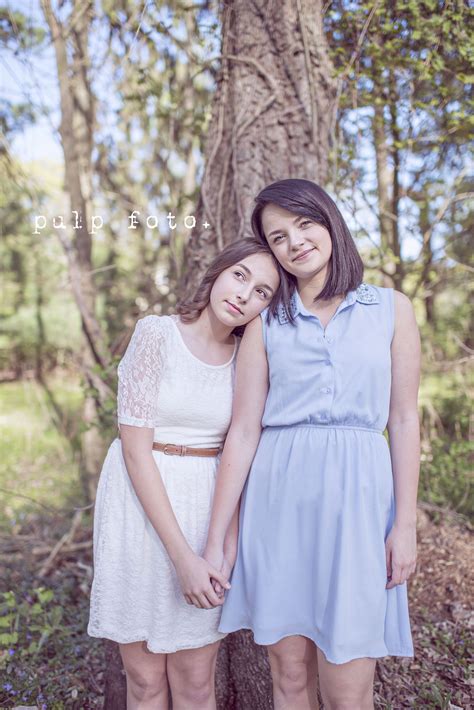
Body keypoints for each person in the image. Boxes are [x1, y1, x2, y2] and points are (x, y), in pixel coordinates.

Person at [204, 179, 421, 710]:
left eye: (304, 224)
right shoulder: (266, 320)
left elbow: (404, 416)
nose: (294, 242)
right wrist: (217, 536)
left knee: (349, 682)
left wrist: (407, 524)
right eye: (278, 237)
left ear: (329, 222)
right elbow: (245, 429)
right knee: (290, 674)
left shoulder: (392, 309)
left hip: (360, 507)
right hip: (278, 504)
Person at [88, 237, 288, 710]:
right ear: (219, 272)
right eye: (240, 275)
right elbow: (135, 451)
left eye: (262, 292)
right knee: (144, 682)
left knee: (197, 684)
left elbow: (244, 451)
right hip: (138, 508)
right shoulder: (155, 333)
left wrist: (224, 546)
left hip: (206, 511)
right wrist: (183, 559)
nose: (244, 294)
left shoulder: (249, 358)